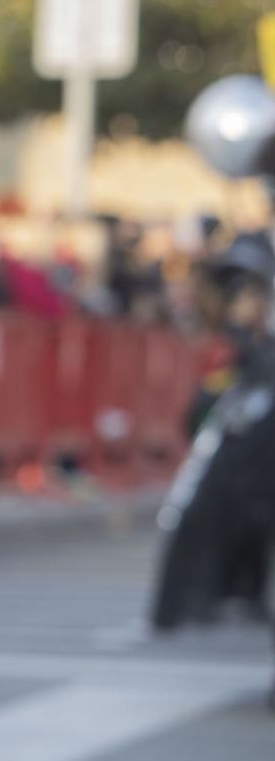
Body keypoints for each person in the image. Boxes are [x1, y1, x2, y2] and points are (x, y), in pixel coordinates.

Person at [151, 232, 275, 632]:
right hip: (239, 440)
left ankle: (246, 591)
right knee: (203, 507)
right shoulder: (231, 346)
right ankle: (205, 597)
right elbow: (202, 407)